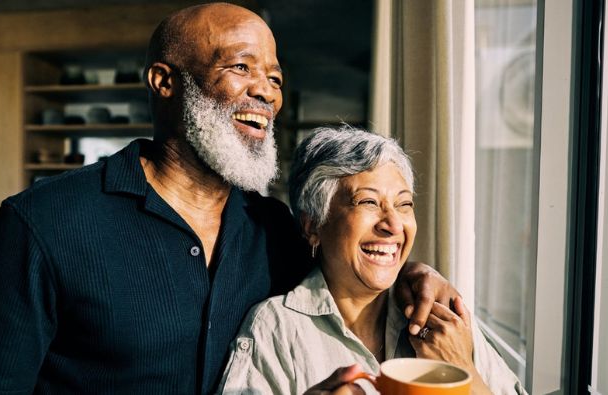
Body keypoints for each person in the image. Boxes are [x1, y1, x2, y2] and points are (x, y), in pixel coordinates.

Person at [0, 4, 458, 394]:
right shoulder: (45, 223)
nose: (266, 92)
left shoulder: (273, 229)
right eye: (241, 67)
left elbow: (349, 282)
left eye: (274, 77)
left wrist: (418, 276)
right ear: (164, 82)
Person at [218, 126, 527, 395]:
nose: (393, 224)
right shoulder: (276, 329)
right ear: (313, 226)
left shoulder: (445, 316)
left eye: (404, 204)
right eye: (367, 202)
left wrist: (463, 370)